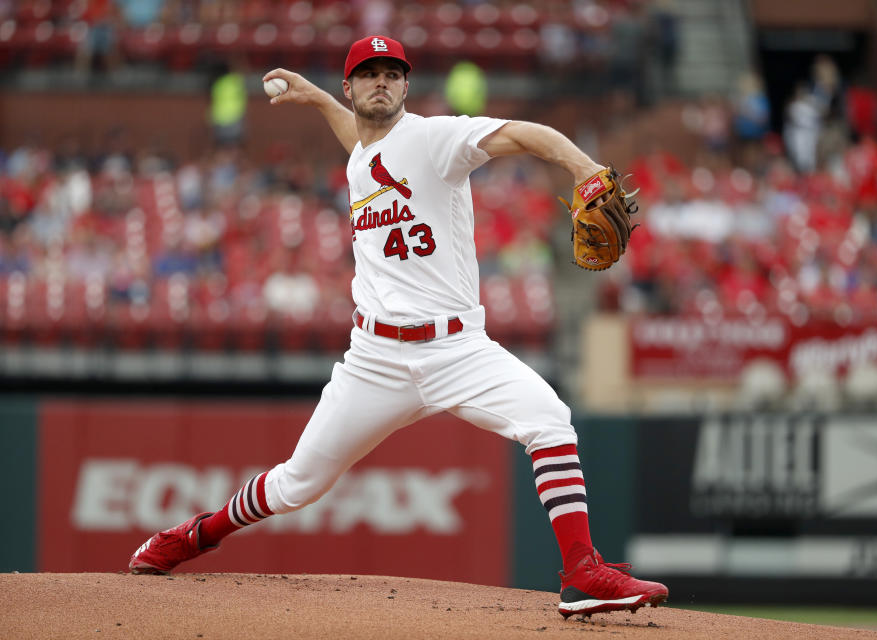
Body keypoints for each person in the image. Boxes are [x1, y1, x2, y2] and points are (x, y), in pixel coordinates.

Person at [127, 35, 668, 619]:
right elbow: (356, 139)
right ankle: (194, 535)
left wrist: (584, 167)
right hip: (374, 360)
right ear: (351, 87)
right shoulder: (363, 154)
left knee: (549, 420)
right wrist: (313, 98)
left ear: (406, 86)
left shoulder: (435, 138)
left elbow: (523, 133)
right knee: (296, 485)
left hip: (458, 349)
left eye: (391, 72)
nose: (380, 81)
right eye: (368, 73)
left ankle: (581, 573)